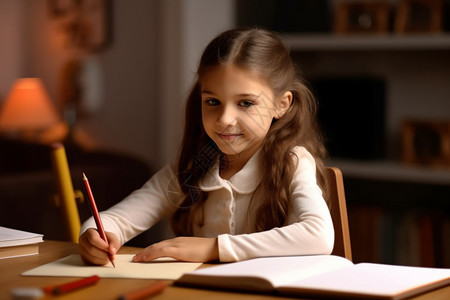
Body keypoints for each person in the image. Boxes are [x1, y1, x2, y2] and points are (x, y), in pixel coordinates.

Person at [78, 28, 334, 265]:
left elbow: (318, 235)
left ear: (282, 104)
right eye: (212, 101)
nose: (224, 119)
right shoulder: (192, 168)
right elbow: (116, 220)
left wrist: (213, 248)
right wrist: (95, 236)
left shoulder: (293, 162)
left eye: (245, 103)